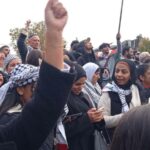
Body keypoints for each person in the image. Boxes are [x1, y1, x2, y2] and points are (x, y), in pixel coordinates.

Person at [0, 0, 75, 150]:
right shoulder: (10, 118)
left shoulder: (9, 132)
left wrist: (54, 34)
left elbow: (47, 103)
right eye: (36, 87)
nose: (39, 92)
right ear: (20, 89)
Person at [64, 62, 106, 150]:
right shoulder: (63, 100)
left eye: (83, 84)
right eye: (77, 84)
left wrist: (98, 117)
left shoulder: (83, 95)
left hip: (89, 143)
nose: (81, 87)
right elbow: (63, 130)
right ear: (67, 82)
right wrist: (87, 118)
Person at [98, 59, 141, 140]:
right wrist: (125, 117)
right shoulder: (108, 91)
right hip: (115, 139)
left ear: (131, 74)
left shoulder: (134, 88)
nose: (119, 74)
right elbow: (102, 120)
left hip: (134, 137)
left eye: (124, 72)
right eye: (117, 71)